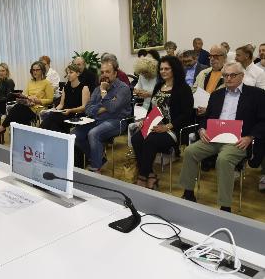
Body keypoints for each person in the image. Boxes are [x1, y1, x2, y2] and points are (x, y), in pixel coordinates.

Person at [179, 62, 265, 212]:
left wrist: (250, 137)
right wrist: (202, 129)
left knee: (223, 159)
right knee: (190, 151)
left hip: (238, 140)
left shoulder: (256, 95)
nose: (229, 78)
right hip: (214, 137)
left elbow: (263, 121)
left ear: (242, 76)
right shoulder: (216, 95)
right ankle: (188, 192)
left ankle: (225, 206)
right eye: (225, 75)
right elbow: (206, 117)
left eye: (233, 75)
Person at [131, 56, 194, 189]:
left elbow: (187, 115)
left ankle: (142, 176)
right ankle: (151, 175)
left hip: (173, 129)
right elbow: (152, 108)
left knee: (149, 140)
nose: (163, 71)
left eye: (167, 69)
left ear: (174, 69)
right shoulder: (159, 86)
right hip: (153, 125)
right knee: (136, 138)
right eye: (161, 69)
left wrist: (167, 126)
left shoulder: (183, 89)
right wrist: (144, 120)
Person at [72, 58, 131, 173]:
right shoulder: (97, 89)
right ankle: (98, 158)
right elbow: (88, 109)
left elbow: (113, 108)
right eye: (102, 72)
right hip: (96, 119)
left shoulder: (123, 88)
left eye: (108, 72)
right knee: (74, 134)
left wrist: (104, 92)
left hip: (117, 121)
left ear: (115, 73)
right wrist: (103, 108)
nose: (104, 75)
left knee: (94, 133)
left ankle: (95, 167)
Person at [0, 61, 53, 135]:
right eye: (33, 70)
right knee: (18, 112)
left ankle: (2, 127)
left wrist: (38, 100)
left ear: (42, 70)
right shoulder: (30, 82)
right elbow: (25, 95)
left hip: (38, 109)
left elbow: (50, 100)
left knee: (18, 109)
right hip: (28, 106)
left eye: (37, 70)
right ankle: (22, 135)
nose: (35, 72)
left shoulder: (47, 83)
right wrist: (27, 98)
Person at [40, 64, 90, 133]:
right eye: (67, 73)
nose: (68, 75)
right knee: (52, 117)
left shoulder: (84, 88)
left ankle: (40, 135)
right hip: (65, 112)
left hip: (76, 114)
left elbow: (84, 107)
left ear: (78, 73)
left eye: (71, 72)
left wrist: (70, 110)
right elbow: (61, 105)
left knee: (52, 120)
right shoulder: (66, 87)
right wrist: (54, 110)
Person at [193, 45, 227, 116]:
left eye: (215, 56)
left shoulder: (229, 75)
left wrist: (209, 109)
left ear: (224, 57)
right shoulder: (203, 73)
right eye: (210, 56)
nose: (212, 59)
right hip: (200, 113)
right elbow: (194, 91)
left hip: (220, 114)